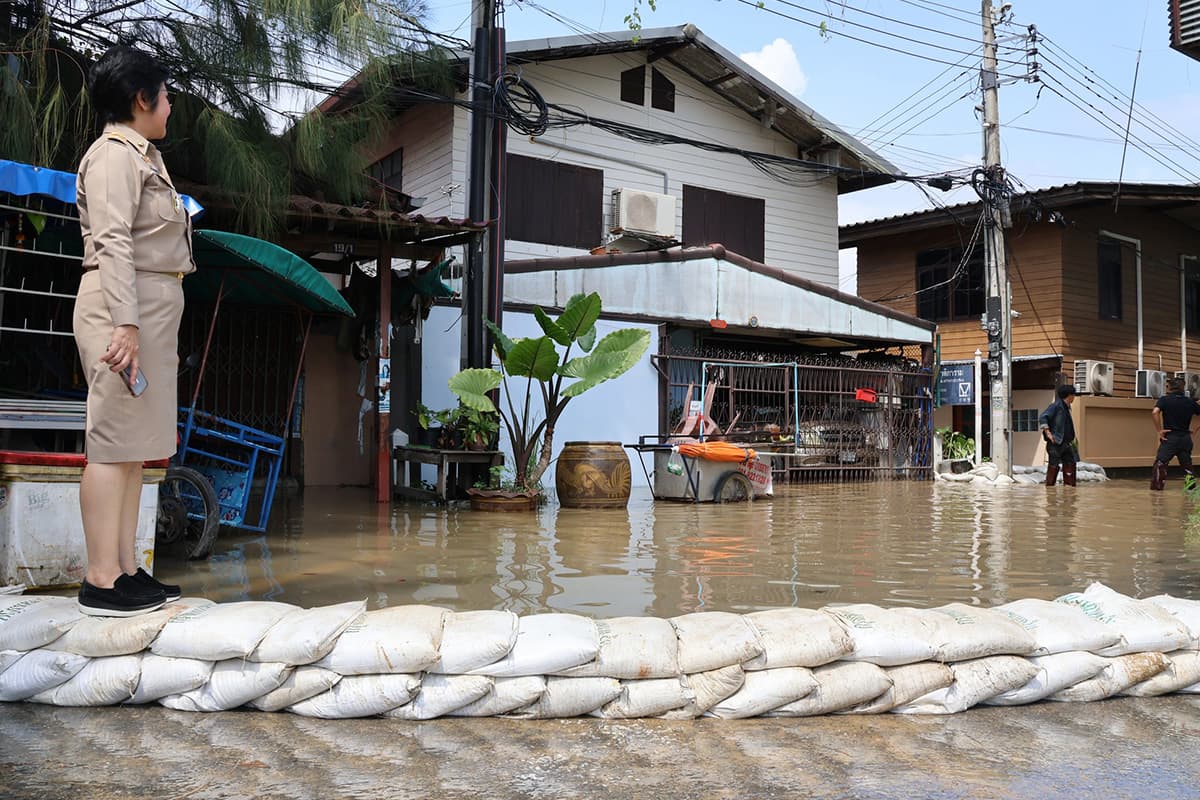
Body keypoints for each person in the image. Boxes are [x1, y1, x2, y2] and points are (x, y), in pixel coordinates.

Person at [72, 46, 194, 616]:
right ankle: (100, 578)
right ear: (141, 100)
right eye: (165, 96)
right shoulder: (114, 156)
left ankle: (123, 569)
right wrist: (126, 322)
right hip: (124, 308)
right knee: (112, 440)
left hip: (146, 308)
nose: (170, 106)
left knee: (133, 450)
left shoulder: (143, 155)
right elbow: (114, 240)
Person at [1150, 376, 1200, 490]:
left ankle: (1157, 492)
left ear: (1169, 387)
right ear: (1183, 388)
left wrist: (1159, 430)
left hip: (1170, 438)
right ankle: (1190, 489)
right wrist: (1195, 430)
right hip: (1185, 438)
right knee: (1187, 465)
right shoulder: (1190, 402)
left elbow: (1155, 412)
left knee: (1161, 463)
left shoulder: (1164, 400)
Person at [1039, 384, 1078, 487]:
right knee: (1054, 465)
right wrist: (1048, 433)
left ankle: (1069, 488)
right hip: (1055, 443)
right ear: (1069, 395)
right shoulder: (1056, 406)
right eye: (1073, 395)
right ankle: (1050, 488)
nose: (1074, 397)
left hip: (1065, 442)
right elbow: (1043, 417)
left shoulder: (1067, 407)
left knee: (1070, 463)